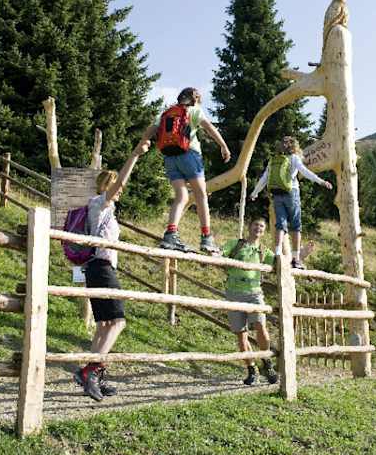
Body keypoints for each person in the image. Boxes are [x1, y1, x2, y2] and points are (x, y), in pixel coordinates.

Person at [74, 141, 148, 401]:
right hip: (102, 268)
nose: (121, 190)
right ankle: (91, 371)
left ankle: (94, 373)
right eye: (117, 186)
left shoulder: (102, 209)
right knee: (118, 322)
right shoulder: (99, 203)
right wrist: (135, 155)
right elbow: (121, 181)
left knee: (104, 324)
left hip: (96, 268)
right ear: (107, 186)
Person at [222, 218, 315, 385]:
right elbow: (221, 253)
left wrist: (301, 255)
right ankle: (251, 369)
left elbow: (282, 263)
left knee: (261, 326)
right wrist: (213, 253)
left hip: (254, 293)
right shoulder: (236, 244)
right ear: (249, 227)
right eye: (255, 225)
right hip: (233, 292)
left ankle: (266, 362)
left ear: (264, 231)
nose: (258, 228)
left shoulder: (263, 251)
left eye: (261, 226)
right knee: (241, 335)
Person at [140, 87, 231, 254]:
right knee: (201, 195)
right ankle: (206, 238)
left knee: (181, 197)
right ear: (195, 99)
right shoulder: (194, 110)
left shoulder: (167, 112)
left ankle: (170, 235)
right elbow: (209, 128)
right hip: (189, 155)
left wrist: (144, 141)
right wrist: (223, 146)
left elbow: (151, 129)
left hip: (169, 157)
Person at [250, 136, 332, 269]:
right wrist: (321, 181)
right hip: (291, 193)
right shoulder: (294, 158)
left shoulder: (273, 160)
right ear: (294, 146)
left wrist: (255, 192)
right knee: (295, 226)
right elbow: (304, 171)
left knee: (280, 225)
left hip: (277, 194)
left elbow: (264, 178)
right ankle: (295, 259)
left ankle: (277, 254)